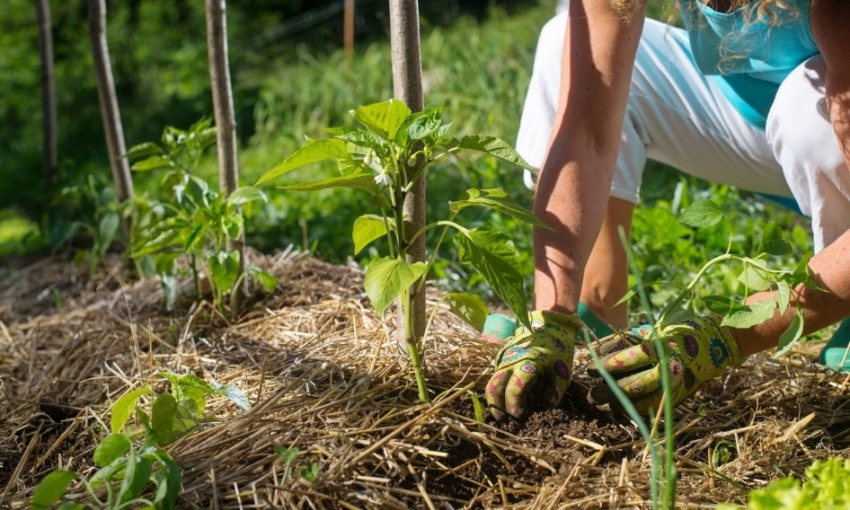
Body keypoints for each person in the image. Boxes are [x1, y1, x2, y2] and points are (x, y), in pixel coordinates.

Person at [485, 0, 850, 421]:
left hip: (822, 115)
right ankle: (596, 303)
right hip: (750, 112)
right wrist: (551, 315)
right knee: (567, 39)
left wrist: (723, 338)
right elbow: (587, 129)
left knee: (806, 106)